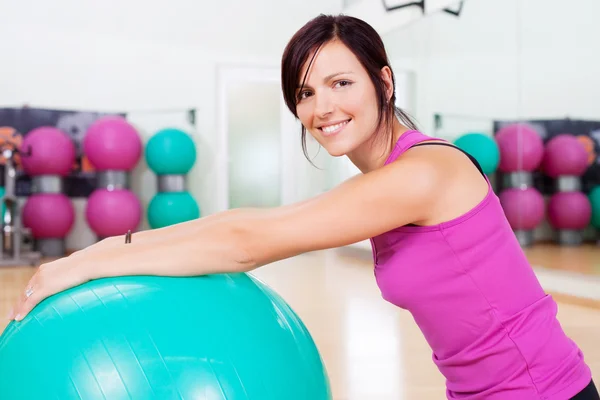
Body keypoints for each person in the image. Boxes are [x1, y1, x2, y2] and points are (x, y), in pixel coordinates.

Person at [7, 14, 598, 400]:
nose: (322, 107)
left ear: (384, 83)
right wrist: (113, 248)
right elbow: (232, 224)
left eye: (342, 83)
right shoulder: (394, 178)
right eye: (305, 92)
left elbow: (250, 240)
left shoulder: (426, 172)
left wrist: (86, 262)